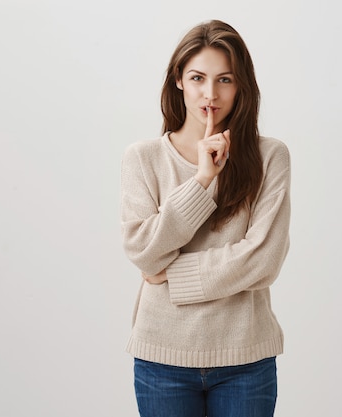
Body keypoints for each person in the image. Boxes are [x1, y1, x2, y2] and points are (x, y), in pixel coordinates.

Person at [120, 19, 291, 417]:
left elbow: (263, 259)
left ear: (241, 85)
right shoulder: (143, 158)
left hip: (245, 358)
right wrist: (201, 180)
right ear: (179, 79)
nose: (210, 93)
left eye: (225, 79)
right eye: (198, 77)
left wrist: (171, 275)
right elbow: (144, 253)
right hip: (162, 358)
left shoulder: (270, 156)